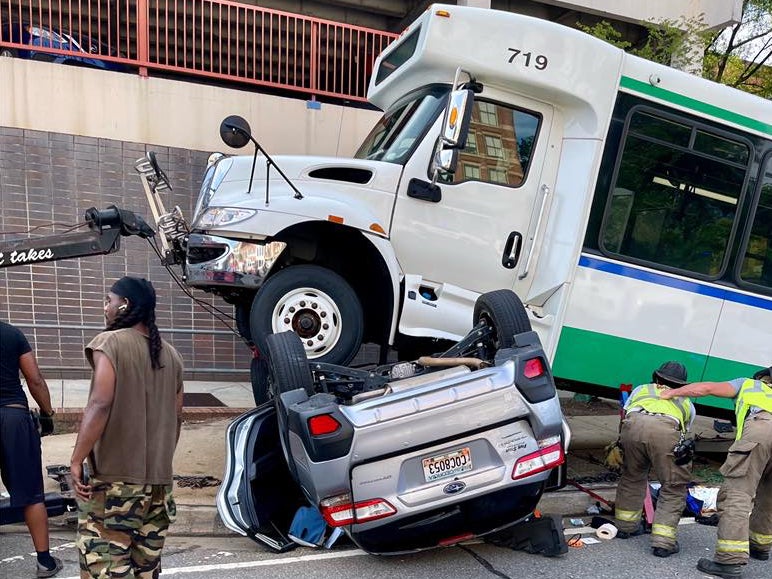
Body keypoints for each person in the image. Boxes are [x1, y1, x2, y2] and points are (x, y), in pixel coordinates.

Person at [69, 277, 184, 579]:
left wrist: (76, 458)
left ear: (125, 305)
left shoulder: (109, 343)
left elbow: (100, 404)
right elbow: (176, 419)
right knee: (146, 569)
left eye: (108, 300)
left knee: (105, 566)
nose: (105, 307)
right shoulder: (172, 356)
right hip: (159, 486)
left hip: (115, 484)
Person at [661, 365, 771, 579]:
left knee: (738, 494)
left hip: (761, 430)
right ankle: (760, 546)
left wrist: (672, 392)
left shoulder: (749, 384)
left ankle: (729, 561)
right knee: (769, 496)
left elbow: (706, 388)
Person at [0, 320, 63, 578]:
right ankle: (45, 562)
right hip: (13, 418)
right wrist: (48, 414)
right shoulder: (11, 333)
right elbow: (34, 379)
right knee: (30, 492)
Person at [613, 361, 695, 558]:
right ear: (681, 384)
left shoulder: (642, 389)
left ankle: (625, 526)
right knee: (673, 486)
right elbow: (684, 430)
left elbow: (626, 411)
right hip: (665, 431)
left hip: (633, 427)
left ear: (656, 377)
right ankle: (663, 542)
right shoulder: (685, 401)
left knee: (632, 476)